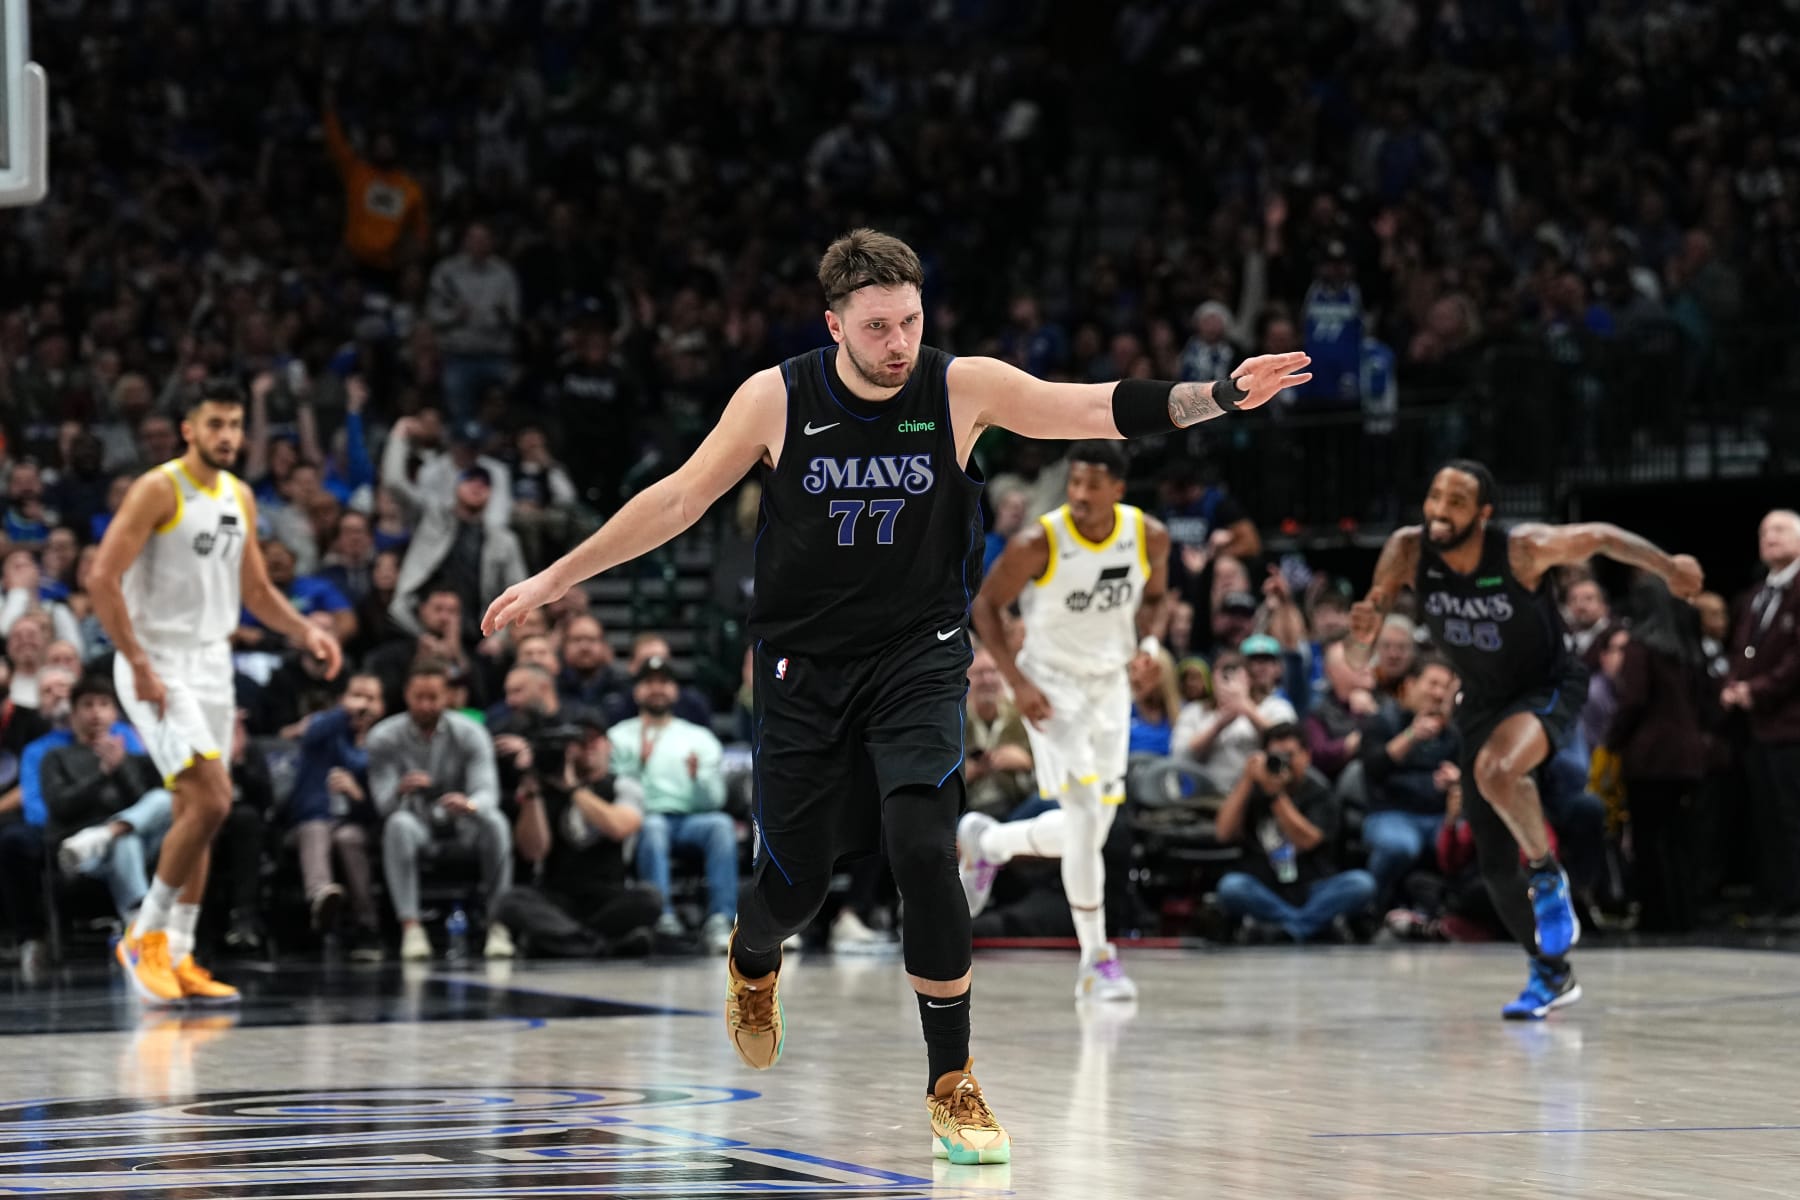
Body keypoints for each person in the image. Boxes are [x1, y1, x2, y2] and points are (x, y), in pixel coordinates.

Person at [481, 227, 1310, 1165]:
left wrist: (1221, 395)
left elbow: (1091, 406)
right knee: (793, 885)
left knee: (924, 846)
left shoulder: (957, 390)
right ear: (833, 323)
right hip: (802, 667)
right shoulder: (775, 397)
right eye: (877, 327)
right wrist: (554, 578)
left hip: (919, 654)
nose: (898, 343)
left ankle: (952, 1083)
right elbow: (675, 503)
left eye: (910, 320)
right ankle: (755, 960)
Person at [1348, 459, 1701, 1019]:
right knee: (1491, 866)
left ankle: (1548, 873)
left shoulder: (1520, 550)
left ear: (1484, 514)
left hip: (1547, 687)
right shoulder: (1408, 551)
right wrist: (1359, 639)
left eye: (1457, 501)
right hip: (1482, 701)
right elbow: (1357, 656)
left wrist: (1667, 567)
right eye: (1435, 495)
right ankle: (1551, 973)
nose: (1440, 509)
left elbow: (1603, 537)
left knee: (1496, 772)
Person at [88, 380, 343, 1004]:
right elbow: (101, 578)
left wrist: (306, 629)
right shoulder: (160, 487)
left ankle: (179, 954)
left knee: (194, 811)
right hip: (157, 659)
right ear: (189, 430)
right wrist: (137, 662)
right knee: (212, 798)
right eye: (216, 424)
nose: (229, 435)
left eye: (235, 424)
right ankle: (142, 937)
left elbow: (255, 592)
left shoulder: (240, 495)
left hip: (210, 661)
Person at [960, 439, 1170, 1002]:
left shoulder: (1148, 535)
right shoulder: (1040, 540)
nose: (1079, 494)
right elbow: (985, 605)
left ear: (1118, 490)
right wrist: (1018, 681)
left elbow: (1156, 598)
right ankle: (1097, 959)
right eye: (1074, 483)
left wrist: (1148, 643)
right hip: (1051, 687)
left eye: (1092, 484)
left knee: (1091, 832)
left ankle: (990, 843)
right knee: (1081, 813)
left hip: (1109, 686)